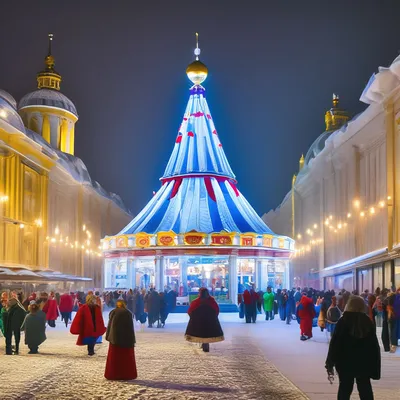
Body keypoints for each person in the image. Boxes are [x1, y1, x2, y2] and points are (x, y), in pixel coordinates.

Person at [325, 295, 381, 400]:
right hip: (363, 362)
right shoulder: (367, 321)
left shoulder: (343, 321)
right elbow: (374, 345)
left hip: (345, 362)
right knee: (365, 388)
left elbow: (335, 343)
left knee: (344, 388)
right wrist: (375, 365)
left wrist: (330, 362)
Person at [105, 299, 137, 380]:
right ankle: (126, 374)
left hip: (114, 339)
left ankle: (113, 374)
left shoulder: (113, 312)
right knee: (125, 359)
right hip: (126, 340)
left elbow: (110, 326)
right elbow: (130, 328)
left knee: (114, 358)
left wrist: (108, 336)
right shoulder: (128, 313)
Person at [185, 288, 224, 352]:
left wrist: (194, 318)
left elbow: (190, 311)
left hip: (199, 322)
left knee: (200, 333)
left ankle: (203, 344)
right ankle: (205, 344)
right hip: (209, 322)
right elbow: (217, 310)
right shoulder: (212, 301)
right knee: (207, 333)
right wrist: (213, 318)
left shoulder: (196, 302)